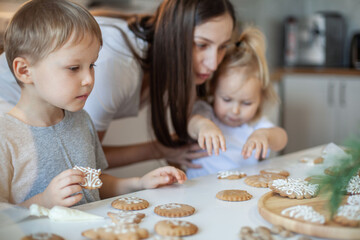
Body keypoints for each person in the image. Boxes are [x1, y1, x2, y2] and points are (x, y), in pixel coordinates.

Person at [0, 0, 237, 170]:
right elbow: (83, 160)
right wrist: (160, 149)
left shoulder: (163, 61)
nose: (214, 63)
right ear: (174, 35)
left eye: (223, 46)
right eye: (201, 45)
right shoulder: (116, 64)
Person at [0, 0, 186, 209]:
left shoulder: (81, 120)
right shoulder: (5, 136)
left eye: (92, 65)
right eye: (73, 68)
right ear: (24, 71)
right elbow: (4, 217)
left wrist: (140, 183)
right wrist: (44, 202)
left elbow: (95, 185)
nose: (88, 79)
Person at [186, 26, 288, 179]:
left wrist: (265, 135)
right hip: (198, 190)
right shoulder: (206, 114)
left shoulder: (255, 125)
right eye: (227, 100)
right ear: (213, 90)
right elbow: (191, 123)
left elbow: (282, 138)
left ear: (260, 98)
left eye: (246, 103)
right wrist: (203, 126)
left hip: (243, 191)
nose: (235, 110)